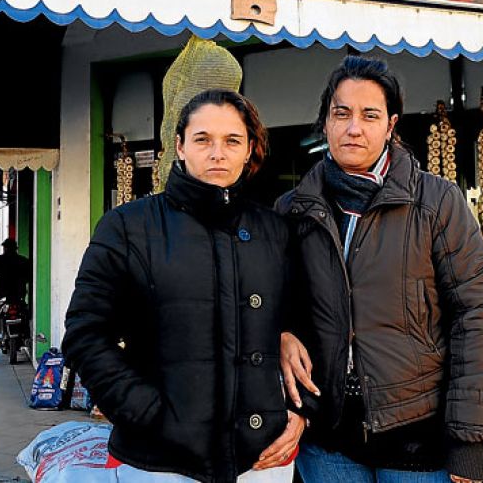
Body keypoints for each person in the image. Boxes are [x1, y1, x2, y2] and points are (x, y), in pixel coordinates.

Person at [275, 56, 483, 483]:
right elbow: (271, 300)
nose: (353, 127)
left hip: (417, 432)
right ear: (325, 122)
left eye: (370, 115)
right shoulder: (294, 210)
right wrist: (282, 332)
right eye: (340, 113)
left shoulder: (436, 202)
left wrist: (472, 442)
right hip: (328, 436)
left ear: (391, 124)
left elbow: (478, 317)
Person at [62, 89, 306, 482]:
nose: (217, 153)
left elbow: (304, 323)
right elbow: (84, 334)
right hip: (159, 460)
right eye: (203, 139)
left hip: (261, 458)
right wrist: (145, 413)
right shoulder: (128, 226)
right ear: (179, 146)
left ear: (248, 150)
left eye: (232, 141)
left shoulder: (274, 231)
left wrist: (300, 413)